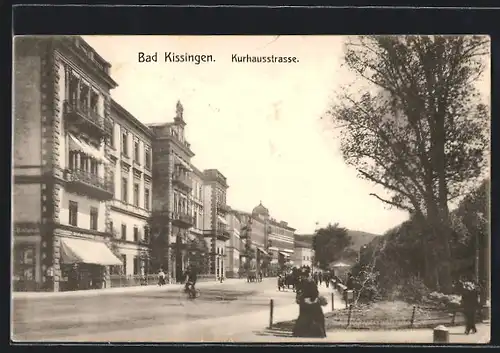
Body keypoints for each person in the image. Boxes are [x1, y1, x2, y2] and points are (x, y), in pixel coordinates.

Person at [292, 268, 327, 338]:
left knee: (310, 318)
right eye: (302, 276)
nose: (302, 277)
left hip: (311, 303)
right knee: (305, 318)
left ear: (307, 276)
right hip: (307, 303)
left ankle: (312, 333)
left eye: (303, 276)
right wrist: (300, 298)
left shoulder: (310, 282)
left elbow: (315, 293)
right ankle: (303, 333)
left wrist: (311, 299)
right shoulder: (305, 282)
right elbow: (300, 292)